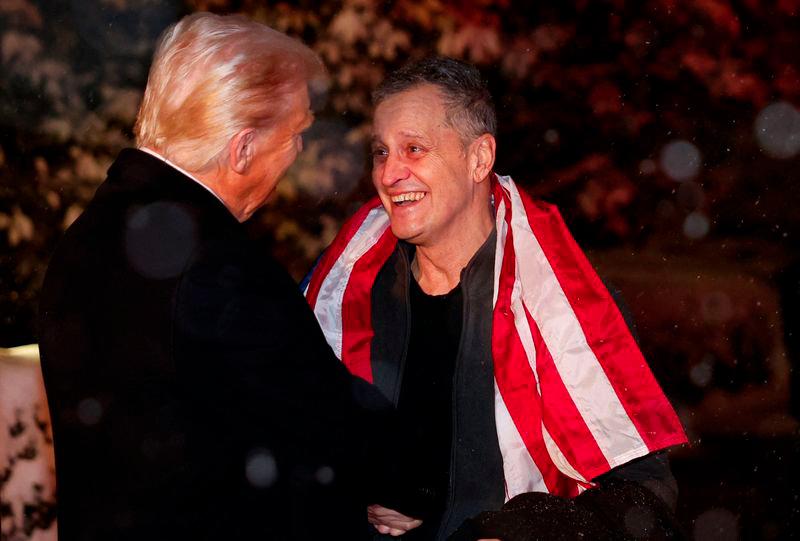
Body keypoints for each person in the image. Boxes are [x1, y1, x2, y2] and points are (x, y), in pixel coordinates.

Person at [38, 13, 417, 541]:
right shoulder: (215, 266)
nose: (299, 151)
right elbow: (335, 429)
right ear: (241, 149)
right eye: (297, 133)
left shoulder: (85, 238)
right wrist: (423, 486)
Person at [305, 57, 689, 540]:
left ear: (479, 159)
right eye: (381, 152)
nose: (390, 173)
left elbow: (647, 504)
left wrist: (513, 530)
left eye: (414, 149)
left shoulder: (564, 306)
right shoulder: (348, 290)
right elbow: (281, 441)